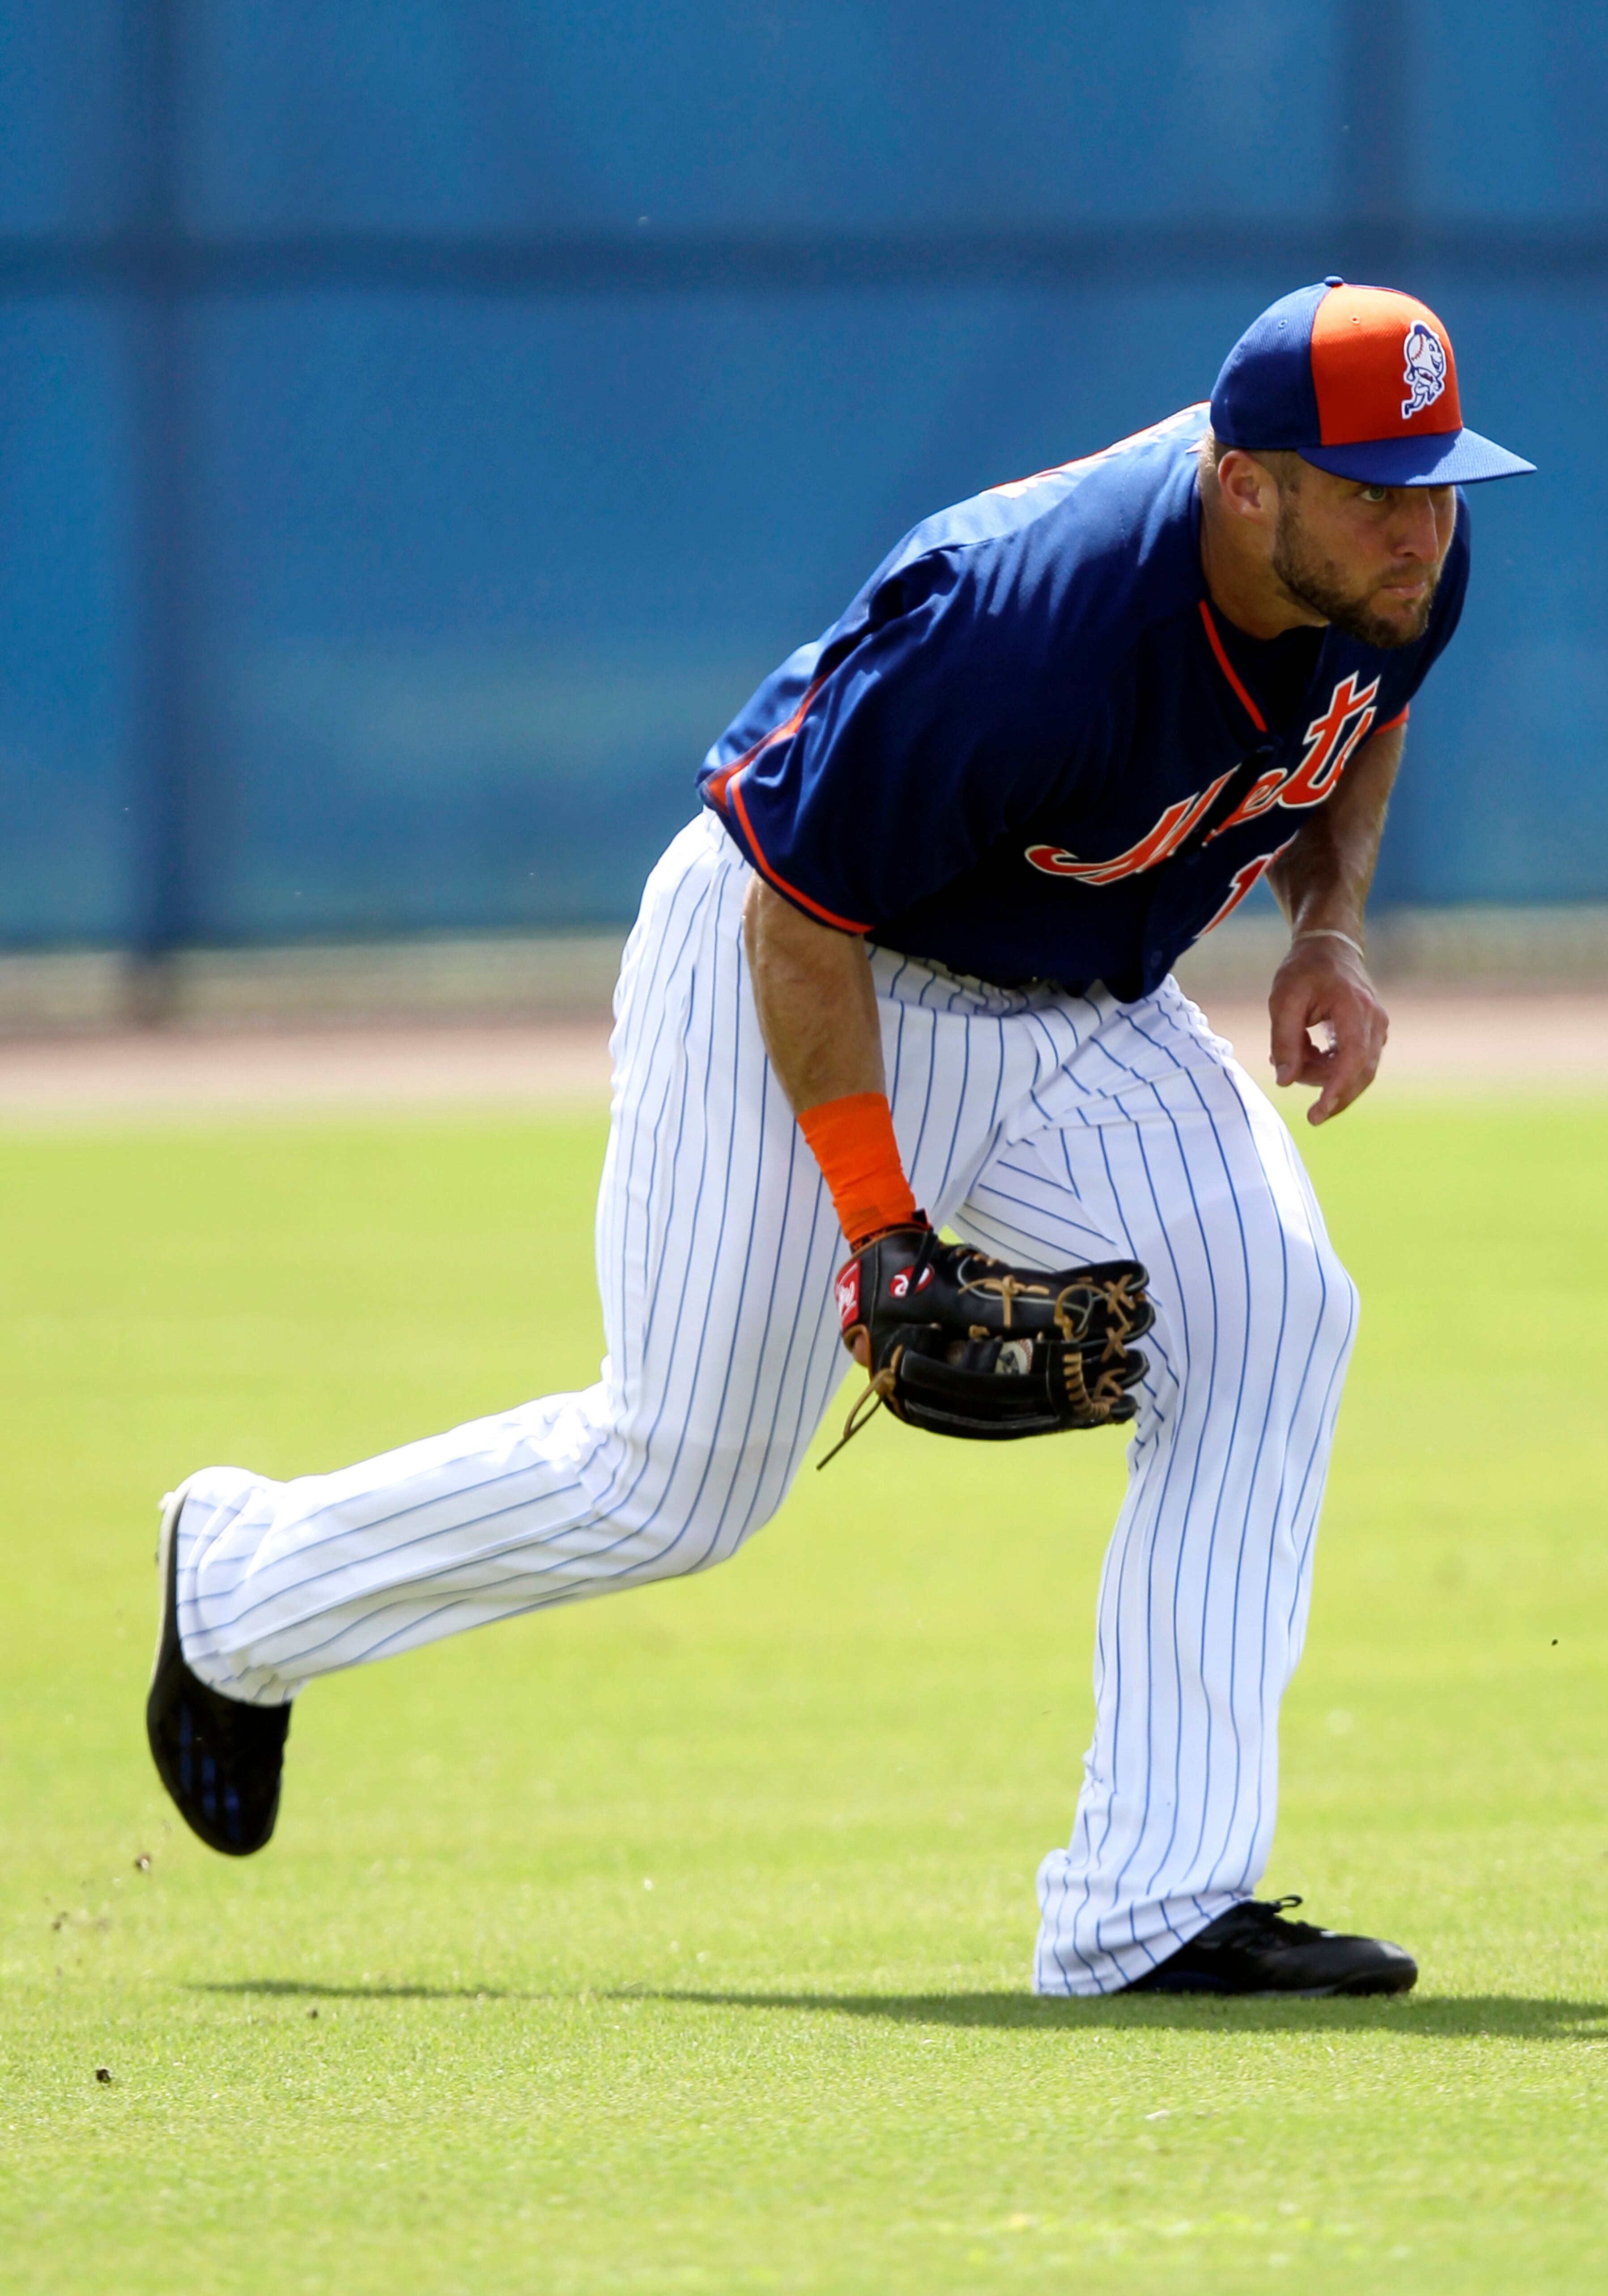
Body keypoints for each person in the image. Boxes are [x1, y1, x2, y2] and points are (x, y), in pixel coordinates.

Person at [148, 280, 1532, 1997]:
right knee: (674, 1481)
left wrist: (1329, 931)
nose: (1421, 528)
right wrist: (881, 1233)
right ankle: (243, 1585)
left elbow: (1364, 715)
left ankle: (1151, 1908)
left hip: (1076, 1004)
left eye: (1441, 479)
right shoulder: (1023, 619)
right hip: (804, 967)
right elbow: (799, 916)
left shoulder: (1407, 567)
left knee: (1274, 1308)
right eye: (1377, 489)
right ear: (1244, 481)